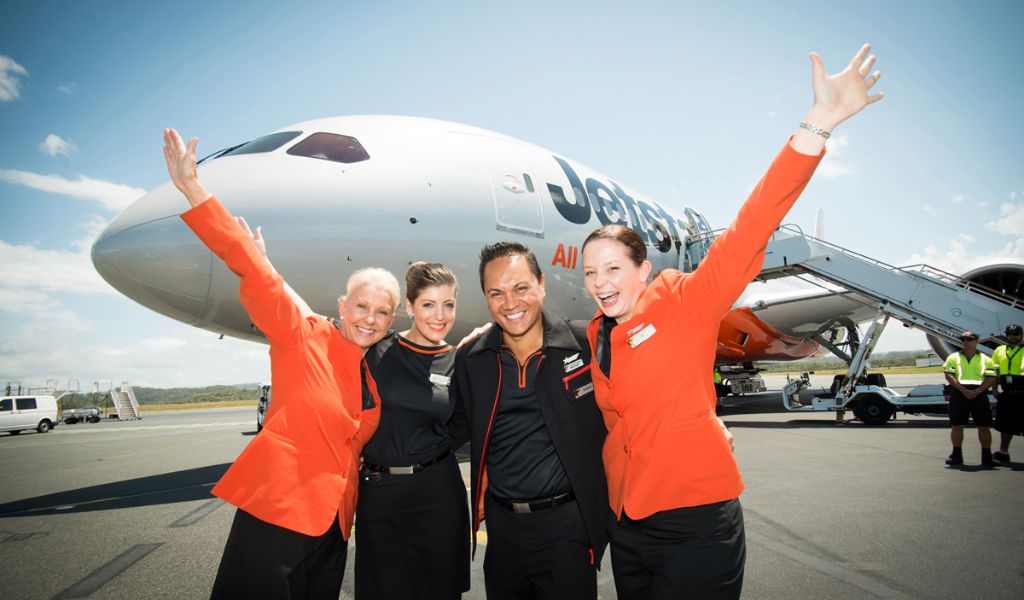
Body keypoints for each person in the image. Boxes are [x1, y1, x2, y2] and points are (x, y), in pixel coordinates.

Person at [579, 44, 884, 599]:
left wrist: (816, 126)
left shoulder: (682, 300)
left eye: (613, 269)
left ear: (644, 270)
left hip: (694, 520)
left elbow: (749, 231)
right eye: (590, 273)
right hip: (627, 521)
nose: (600, 282)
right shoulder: (598, 333)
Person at [163, 128, 399, 599]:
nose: (369, 319)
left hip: (334, 523)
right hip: (278, 513)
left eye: (381, 312)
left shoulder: (369, 369)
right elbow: (252, 268)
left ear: (390, 320)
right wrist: (193, 188)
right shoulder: (303, 334)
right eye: (361, 307)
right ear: (342, 304)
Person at [453, 242, 610, 600]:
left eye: (521, 288)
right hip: (502, 532)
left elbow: (637, 396)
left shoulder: (587, 344)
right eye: (496, 293)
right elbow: (449, 427)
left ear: (541, 284)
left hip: (567, 528)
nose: (510, 303)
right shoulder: (471, 359)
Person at [355, 262, 470, 599]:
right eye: (428, 305)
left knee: (440, 590)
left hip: (437, 494)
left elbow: (462, 422)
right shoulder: (378, 350)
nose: (440, 315)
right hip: (380, 495)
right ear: (409, 307)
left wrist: (425, 449)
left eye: (448, 304)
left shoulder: (457, 360)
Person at [943, 331, 998, 467]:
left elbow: (992, 378)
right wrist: (964, 390)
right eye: (963, 339)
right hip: (959, 393)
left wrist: (978, 391)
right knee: (957, 425)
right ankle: (956, 455)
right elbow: (949, 376)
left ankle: (986, 456)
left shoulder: (986, 359)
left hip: (979, 394)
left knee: (984, 426)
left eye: (969, 339)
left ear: (977, 341)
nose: (966, 342)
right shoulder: (953, 357)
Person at [992, 323, 1023, 463]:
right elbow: (995, 372)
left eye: (1016, 334)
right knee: (1005, 426)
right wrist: (994, 388)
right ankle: (1003, 452)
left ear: (1021, 335)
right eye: (1010, 334)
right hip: (1007, 393)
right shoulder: (999, 350)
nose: (1013, 337)